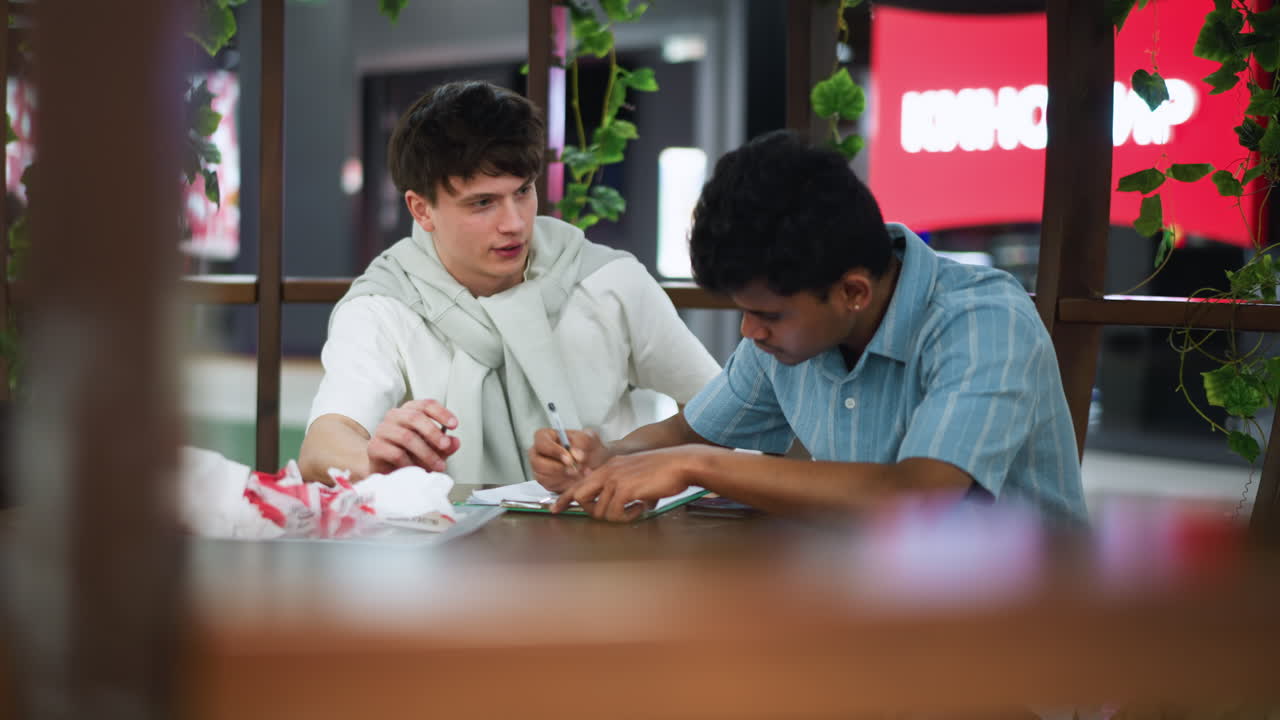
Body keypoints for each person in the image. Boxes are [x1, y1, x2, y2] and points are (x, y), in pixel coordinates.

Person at [531, 130, 1088, 525]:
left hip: (1023, 642)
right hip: (876, 618)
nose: (751, 332)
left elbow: (917, 498)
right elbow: (688, 434)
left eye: (768, 314)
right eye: (743, 311)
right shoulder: (792, 336)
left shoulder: (982, 322)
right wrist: (609, 456)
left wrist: (696, 467)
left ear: (852, 293)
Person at [299, 80, 719, 486]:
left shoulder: (607, 280)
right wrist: (371, 462)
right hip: (440, 548)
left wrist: (617, 456)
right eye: (483, 203)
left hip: (602, 546)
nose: (515, 223)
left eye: (523, 192)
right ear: (421, 209)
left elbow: (722, 412)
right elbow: (322, 447)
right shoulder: (382, 305)